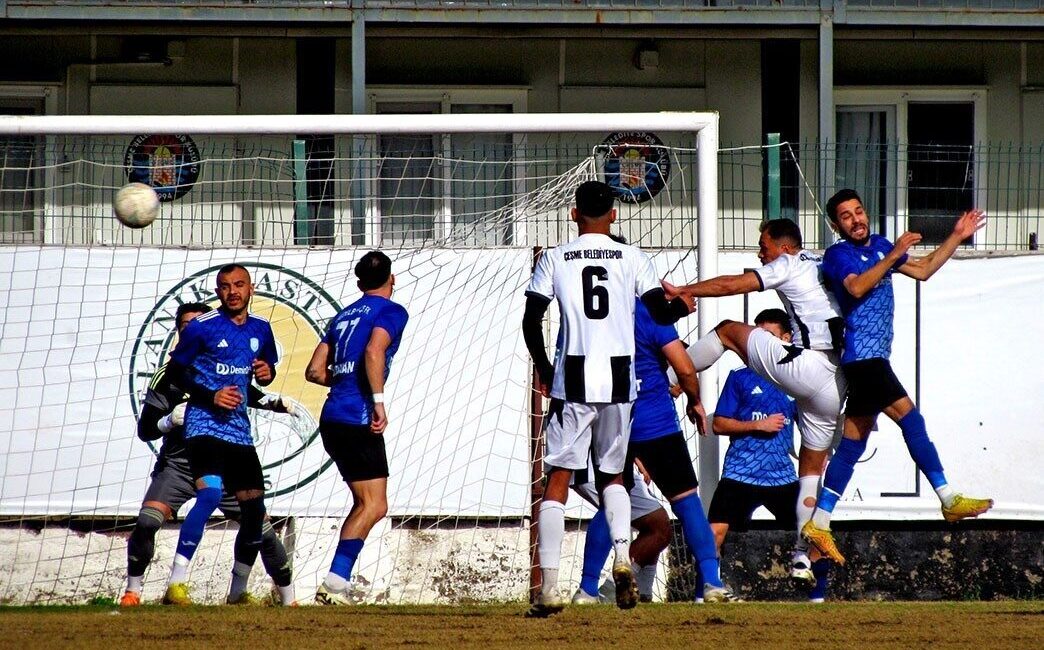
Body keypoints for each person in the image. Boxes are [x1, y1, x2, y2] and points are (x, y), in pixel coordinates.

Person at [521, 180, 692, 617]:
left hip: (573, 380)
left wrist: (544, 367)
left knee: (557, 481)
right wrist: (683, 305)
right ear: (614, 215)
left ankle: (551, 587)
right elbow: (658, 312)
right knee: (613, 477)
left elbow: (531, 319)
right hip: (620, 383)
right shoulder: (634, 257)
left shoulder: (555, 258)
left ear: (574, 214)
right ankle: (622, 559)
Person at [801, 189, 994, 565]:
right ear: (835, 224)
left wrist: (956, 234)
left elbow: (922, 270)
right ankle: (948, 498)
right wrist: (891, 255)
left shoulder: (881, 245)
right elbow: (856, 286)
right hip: (864, 359)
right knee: (911, 418)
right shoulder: (837, 255)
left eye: (859, 211)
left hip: (872, 360)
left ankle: (820, 522)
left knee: (853, 444)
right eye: (845, 216)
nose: (856, 219)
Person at [663, 218, 845, 585]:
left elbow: (734, 284)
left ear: (784, 248)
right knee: (811, 469)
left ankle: (668, 380)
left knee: (729, 330)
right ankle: (800, 558)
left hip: (808, 365)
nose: (759, 252)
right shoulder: (826, 265)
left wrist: (685, 289)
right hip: (837, 383)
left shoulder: (789, 263)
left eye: (763, 245)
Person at [120, 302, 297, 607]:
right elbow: (146, 429)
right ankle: (133, 591)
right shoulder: (169, 375)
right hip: (180, 466)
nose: (192, 329)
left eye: (197, 324)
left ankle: (288, 600)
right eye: (185, 325)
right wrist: (167, 420)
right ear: (179, 332)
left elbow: (248, 392)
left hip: (223, 465)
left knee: (263, 529)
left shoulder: (222, 363)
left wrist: (271, 401)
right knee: (148, 521)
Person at [573, 295, 739, 605]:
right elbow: (685, 368)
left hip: (611, 418)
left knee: (611, 502)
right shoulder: (649, 313)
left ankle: (587, 589)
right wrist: (695, 401)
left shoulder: (592, 313)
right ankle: (712, 583)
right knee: (687, 503)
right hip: (656, 423)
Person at [160, 264, 280, 606]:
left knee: (254, 512)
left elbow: (266, 373)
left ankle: (237, 591)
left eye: (239, 284)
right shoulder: (202, 328)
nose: (233, 291)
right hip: (203, 423)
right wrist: (209, 396)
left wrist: (267, 372)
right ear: (218, 292)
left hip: (239, 430)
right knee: (210, 495)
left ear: (250, 288)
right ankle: (176, 583)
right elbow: (175, 373)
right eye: (225, 286)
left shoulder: (261, 329)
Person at [305, 251, 409, 606]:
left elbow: (315, 372)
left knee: (367, 503)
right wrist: (377, 400)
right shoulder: (391, 311)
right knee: (374, 505)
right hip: (357, 416)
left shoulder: (342, 316)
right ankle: (334, 584)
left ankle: (336, 582)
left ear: (360, 283)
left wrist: (345, 378)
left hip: (332, 417)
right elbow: (374, 351)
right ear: (391, 279)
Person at [707, 308, 830, 601]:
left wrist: (825, 451)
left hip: (781, 475)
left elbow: (816, 422)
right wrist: (755, 425)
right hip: (741, 471)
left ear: (787, 338)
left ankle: (819, 599)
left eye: (771, 337)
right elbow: (719, 423)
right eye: (759, 337)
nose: (763, 346)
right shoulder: (740, 378)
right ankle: (706, 592)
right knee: (712, 534)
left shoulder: (798, 378)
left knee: (816, 532)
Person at [569, 461, 672, 604]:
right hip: (601, 464)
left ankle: (641, 593)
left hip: (605, 463)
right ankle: (603, 592)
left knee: (656, 526)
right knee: (659, 527)